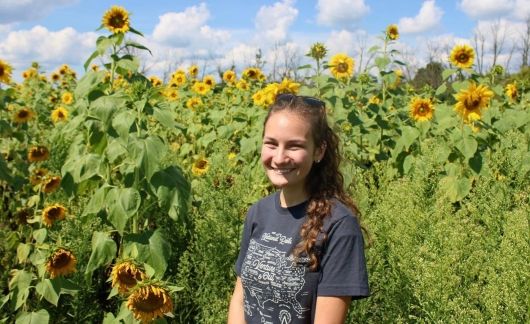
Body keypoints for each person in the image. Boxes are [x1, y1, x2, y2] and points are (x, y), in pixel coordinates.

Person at [227, 94, 369, 324]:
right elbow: (241, 298)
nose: (280, 158)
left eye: (294, 146)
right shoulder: (258, 213)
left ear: (319, 151)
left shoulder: (339, 225)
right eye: (271, 143)